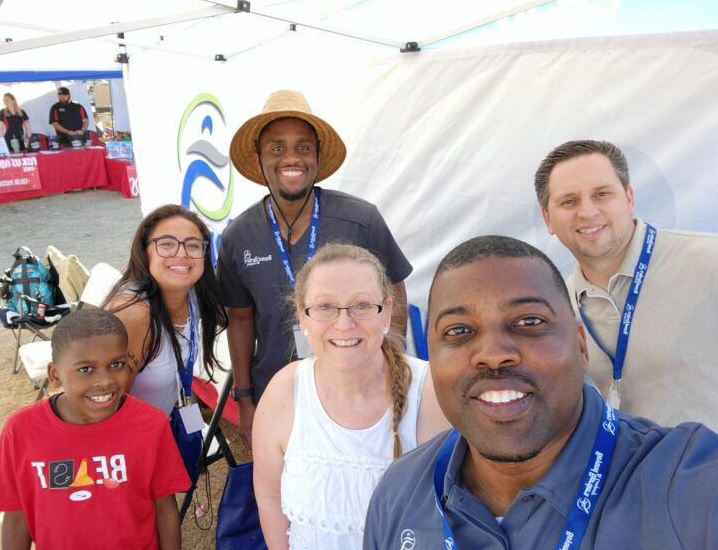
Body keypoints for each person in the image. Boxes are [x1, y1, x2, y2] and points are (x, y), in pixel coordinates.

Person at [364, 235, 718, 549]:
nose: (492, 354)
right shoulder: (401, 492)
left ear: (581, 346)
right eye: (458, 330)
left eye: (529, 322)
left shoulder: (688, 483)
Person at [218, 90, 413, 448]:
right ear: (259, 159)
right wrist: (245, 399)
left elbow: (394, 295)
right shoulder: (237, 236)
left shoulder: (361, 219)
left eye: (303, 147)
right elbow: (240, 320)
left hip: (357, 390)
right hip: (277, 393)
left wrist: (390, 367)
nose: (291, 157)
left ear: (317, 157)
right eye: (277, 148)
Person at [253, 243, 448, 549]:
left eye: (361, 306)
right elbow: (269, 497)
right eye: (325, 307)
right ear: (302, 318)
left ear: (386, 313)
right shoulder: (283, 392)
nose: (344, 323)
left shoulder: (430, 393)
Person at [535, 139, 718, 429]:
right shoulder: (556, 309)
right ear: (548, 218)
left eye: (602, 194)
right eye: (569, 201)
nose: (587, 211)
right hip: (627, 474)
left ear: (629, 198)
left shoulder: (710, 262)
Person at [0, 309, 191, 549]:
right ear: (55, 374)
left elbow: (165, 509)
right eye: (85, 369)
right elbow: (17, 518)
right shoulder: (20, 430)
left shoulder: (151, 424)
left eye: (116, 364)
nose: (105, 381)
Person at [104, 204, 227, 416]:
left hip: (169, 419)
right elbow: (109, 408)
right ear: (144, 252)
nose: (182, 254)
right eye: (167, 244)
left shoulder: (193, 294)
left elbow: (238, 315)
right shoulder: (134, 314)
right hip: (137, 439)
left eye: (193, 245)